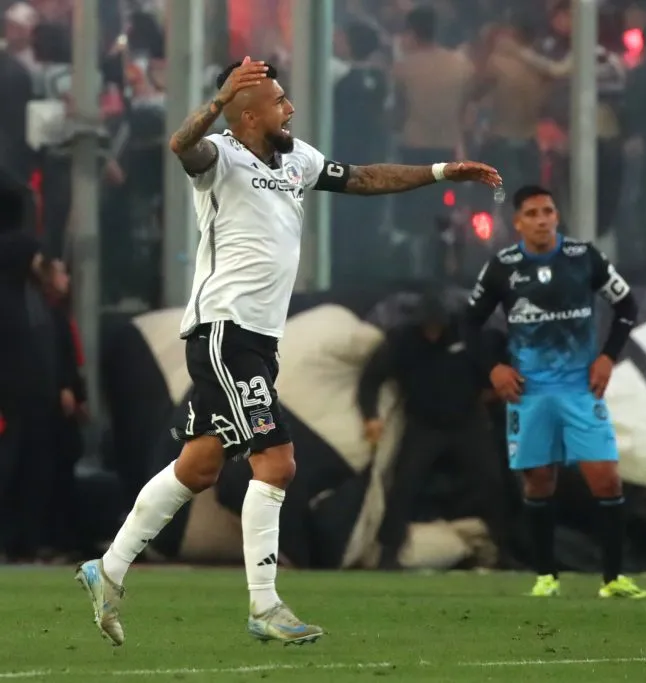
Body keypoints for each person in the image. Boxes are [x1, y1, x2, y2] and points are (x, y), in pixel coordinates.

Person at [75, 57, 501, 646]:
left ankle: (108, 568)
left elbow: (364, 177)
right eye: (278, 101)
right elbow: (181, 143)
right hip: (225, 333)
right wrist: (219, 97)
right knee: (277, 463)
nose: (290, 108)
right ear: (246, 113)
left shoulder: (297, 159)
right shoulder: (220, 155)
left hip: (259, 340)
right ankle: (265, 605)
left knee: (198, 465)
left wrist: (440, 170)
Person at [463, 185, 646, 599]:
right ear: (518, 223)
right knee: (538, 482)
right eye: (532, 213)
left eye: (548, 210)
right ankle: (546, 576)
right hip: (529, 392)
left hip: (580, 388)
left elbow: (627, 307)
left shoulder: (585, 257)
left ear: (557, 216)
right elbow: (468, 324)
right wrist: (493, 368)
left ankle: (613, 578)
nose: (542, 219)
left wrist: (608, 357)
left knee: (606, 478)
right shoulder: (503, 266)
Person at [358, 292, 510, 569]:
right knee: (404, 485)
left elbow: (492, 371)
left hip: (467, 422)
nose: (432, 332)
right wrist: (371, 416)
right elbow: (370, 379)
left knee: (493, 482)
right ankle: (388, 554)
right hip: (423, 424)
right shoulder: (402, 340)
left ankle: (505, 550)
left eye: (436, 326)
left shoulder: (466, 335)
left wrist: (493, 395)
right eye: (426, 326)